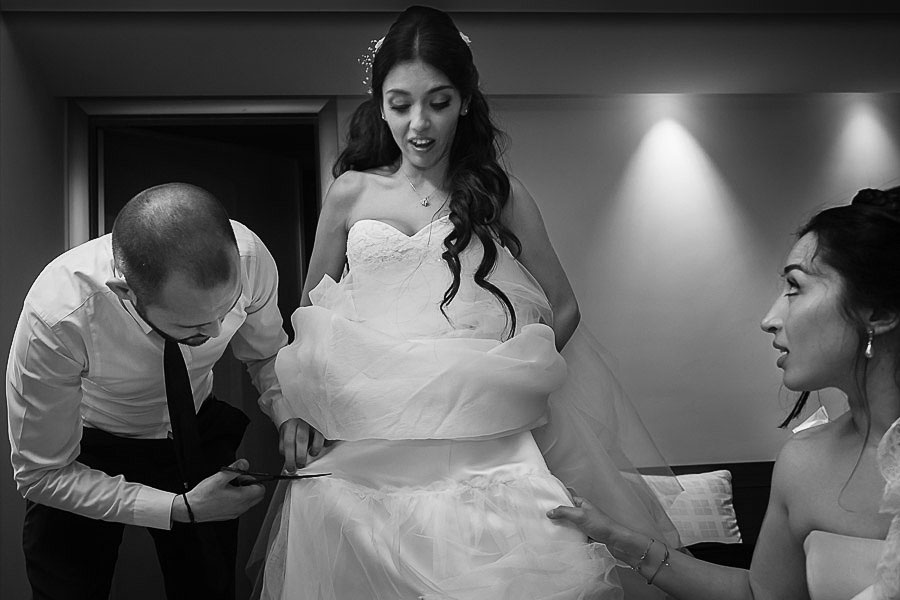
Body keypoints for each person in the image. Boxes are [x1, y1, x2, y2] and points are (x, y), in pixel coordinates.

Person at [252, 6, 679, 599]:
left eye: (439, 101)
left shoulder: (500, 195)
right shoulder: (350, 193)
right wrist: (298, 411)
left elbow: (564, 305)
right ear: (380, 104)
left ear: (466, 101)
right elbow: (310, 322)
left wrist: (498, 377)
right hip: (366, 441)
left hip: (481, 440)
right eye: (401, 104)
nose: (419, 124)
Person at [549, 186, 900, 600]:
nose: (770, 319)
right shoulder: (803, 463)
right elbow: (760, 593)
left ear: (878, 312)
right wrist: (618, 538)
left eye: (794, 287)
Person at [6, 182, 292, 599]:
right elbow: (41, 474)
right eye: (192, 325)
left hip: (195, 430)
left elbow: (266, 354)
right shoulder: (57, 316)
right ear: (126, 292)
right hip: (86, 450)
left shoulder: (249, 257)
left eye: (227, 309)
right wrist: (178, 508)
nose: (216, 332)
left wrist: (288, 413)